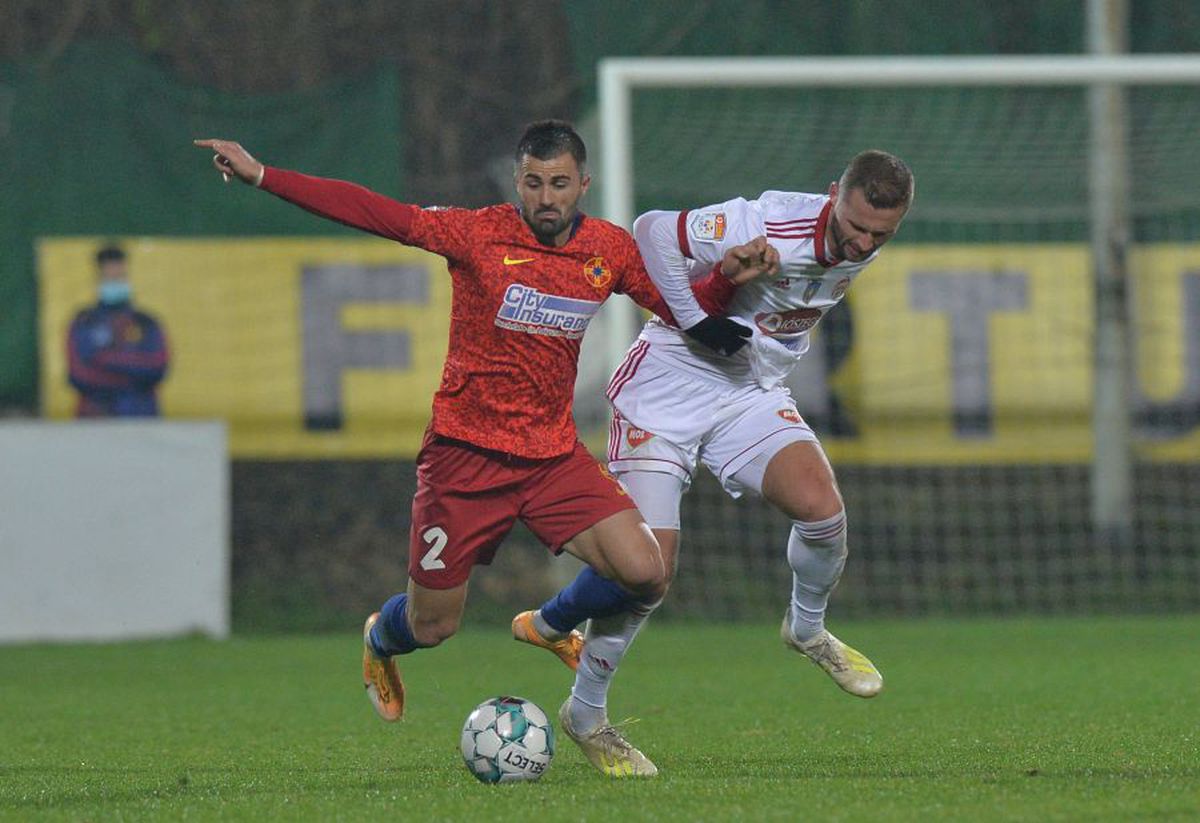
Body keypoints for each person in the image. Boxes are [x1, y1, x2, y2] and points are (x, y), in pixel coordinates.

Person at [194, 121, 772, 778]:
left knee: (645, 570)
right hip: (465, 460)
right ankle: (380, 636)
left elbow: (682, 311)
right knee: (433, 626)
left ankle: (552, 623)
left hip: (552, 456)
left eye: (559, 183)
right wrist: (264, 175)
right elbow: (375, 212)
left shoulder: (608, 249)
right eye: (534, 183)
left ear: (583, 184)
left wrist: (724, 279)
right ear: (518, 183)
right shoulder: (477, 234)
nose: (547, 197)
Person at [515, 150, 914, 754]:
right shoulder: (768, 223)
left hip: (746, 392)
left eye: (879, 234)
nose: (861, 244)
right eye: (853, 226)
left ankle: (807, 631)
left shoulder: (865, 239)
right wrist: (697, 317)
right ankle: (585, 715)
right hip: (664, 392)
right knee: (647, 573)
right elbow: (650, 229)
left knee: (823, 511)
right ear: (833, 193)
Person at [67, 244, 170, 417]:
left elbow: (158, 367)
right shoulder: (84, 322)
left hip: (141, 418)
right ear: (98, 279)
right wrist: (134, 377)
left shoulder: (146, 322)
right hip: (97, 417)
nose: (115, 282)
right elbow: (78, 374)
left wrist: (103, 358)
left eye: (120, 276)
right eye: (110, 277)